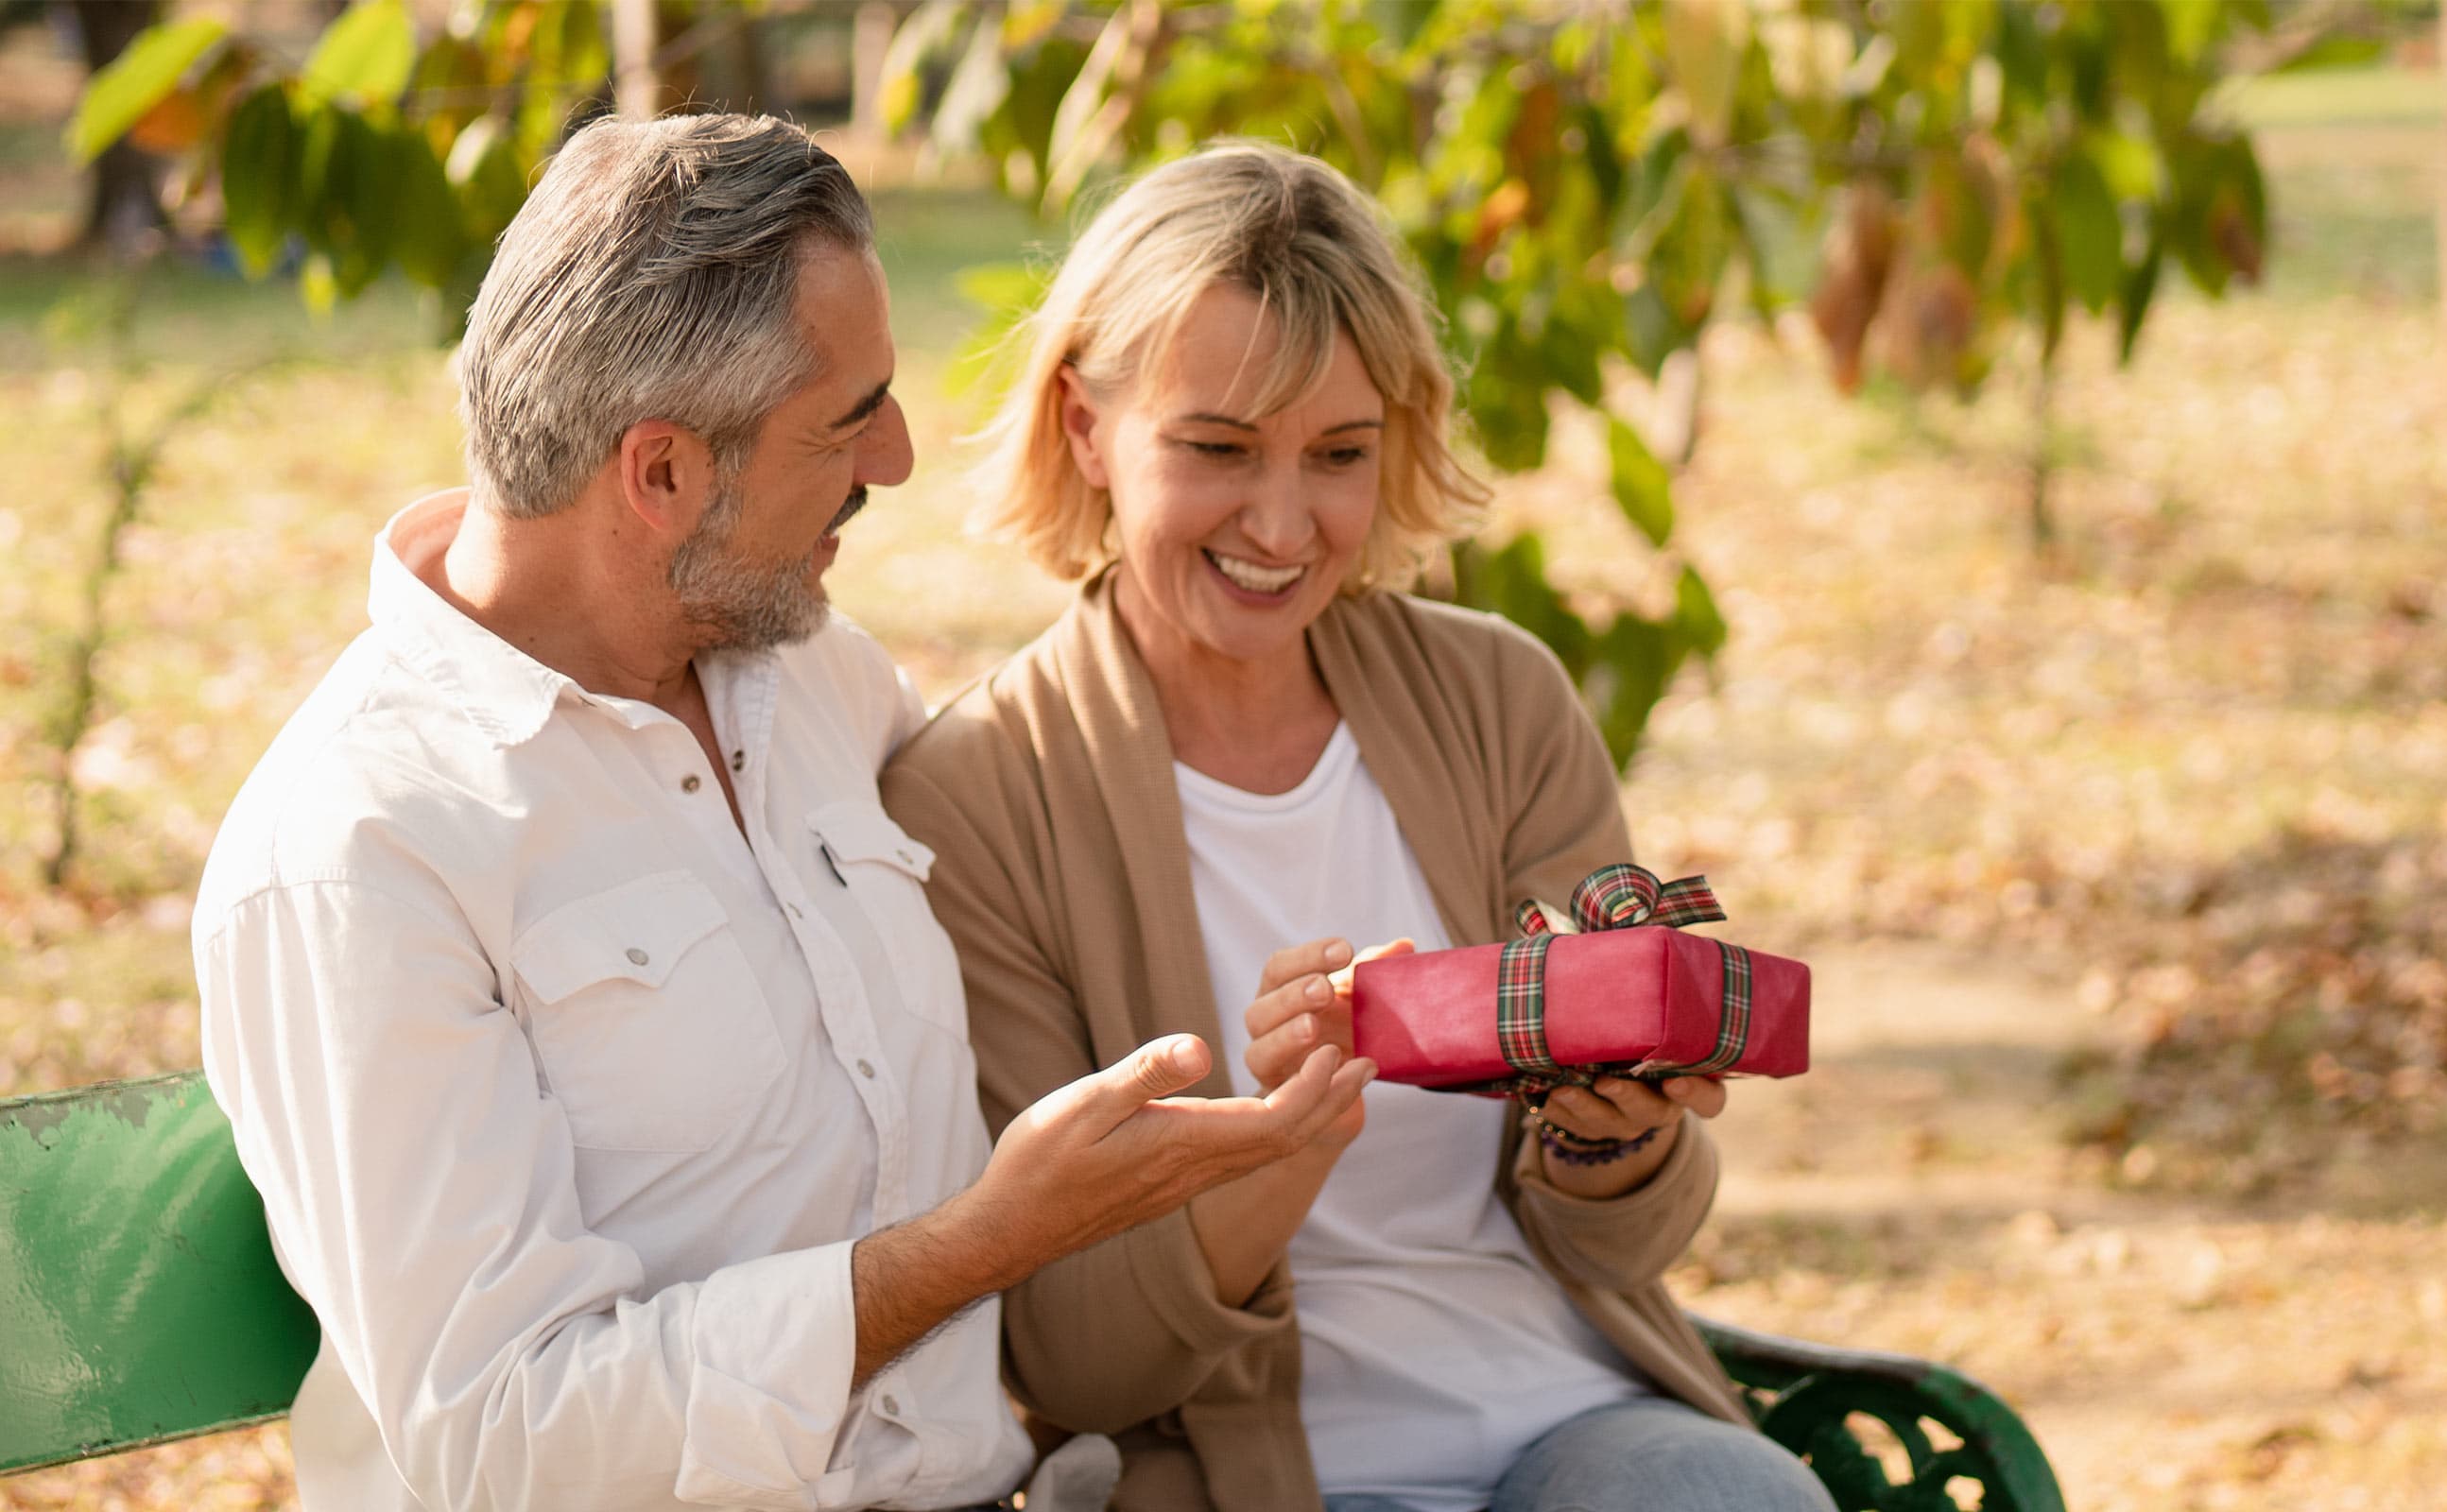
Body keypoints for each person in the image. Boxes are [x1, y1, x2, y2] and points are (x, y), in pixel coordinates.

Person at [193, 115, 1372, 1512]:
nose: (900, 456)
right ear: (664, 473)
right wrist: (980, 1244)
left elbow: (1039, 836)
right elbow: (506, 1435)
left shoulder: (806, 674)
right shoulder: (362, 851)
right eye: (847, 417)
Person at [879, 142, 1835, 1512]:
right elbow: (1078, 1363)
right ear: (1087, 425)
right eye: (1217, 450)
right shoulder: (976, 800)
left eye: (1339, 454)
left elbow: (1630, 1243)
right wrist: (1277, 1143)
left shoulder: (1499, 698)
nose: (1283, 523)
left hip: (1579, 1421)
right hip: (1260, 1473)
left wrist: (1613, 1132)